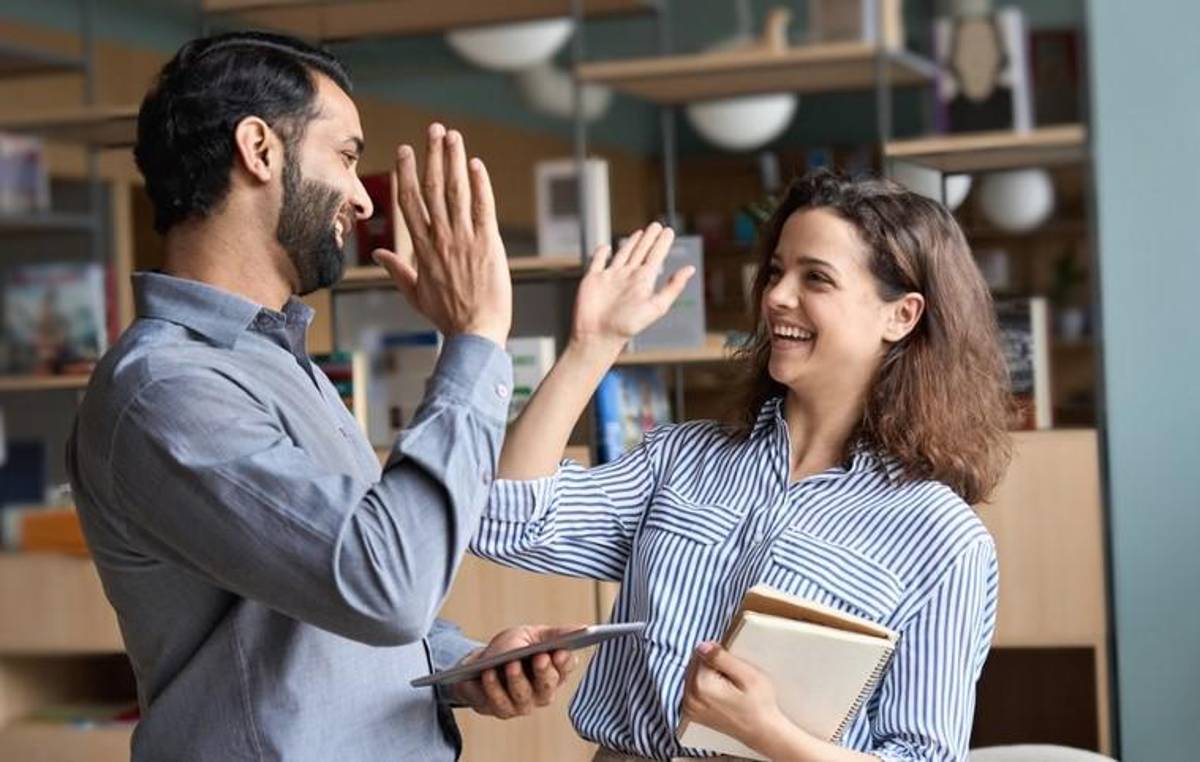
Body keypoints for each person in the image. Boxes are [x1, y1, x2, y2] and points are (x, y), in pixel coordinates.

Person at [67, 32, 580, 761]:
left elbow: (321, 589)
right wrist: (475, 337)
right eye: (345, 156)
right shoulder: (166, 390)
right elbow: (386, 585)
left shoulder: (277, 359)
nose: (361, 197)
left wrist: (461, 665)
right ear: (259, 149)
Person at [464, 171, 1013, 761]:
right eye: (776, 271)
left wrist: (767, 732)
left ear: (901, 315)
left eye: (816, 278)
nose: (776, 296)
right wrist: (592, 345)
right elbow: (503, 521)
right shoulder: (679, 459)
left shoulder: (943, 539)